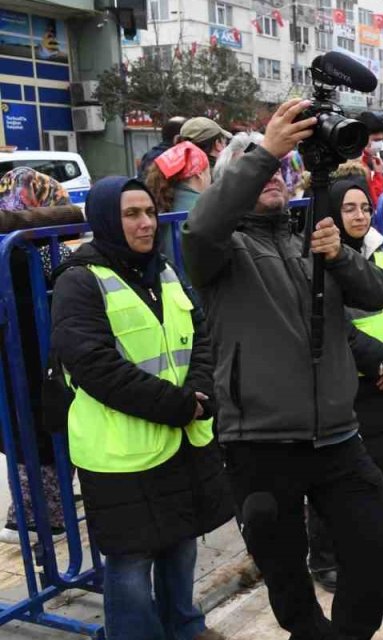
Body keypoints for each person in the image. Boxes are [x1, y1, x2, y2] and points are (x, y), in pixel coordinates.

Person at [182, 98, 383, 639]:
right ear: (231, 183)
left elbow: (376, 295)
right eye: (256, 166)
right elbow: (201, 231)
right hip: (261, 445)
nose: (273, 175)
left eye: (279, 169)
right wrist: (266, 147)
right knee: (286, 578)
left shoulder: (309, 238)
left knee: (370, 551)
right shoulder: (220, 252)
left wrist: (340, 256)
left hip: (338, 439)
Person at [52, 177, 231, 640]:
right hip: (121, 452)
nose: (146, 223)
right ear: (109, 220)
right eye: (132, 214)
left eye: (150, 212)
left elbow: (200, 336)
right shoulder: (80, 281)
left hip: (180, 438)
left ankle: (185, 627)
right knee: (131, 563)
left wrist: (198, 389)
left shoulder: (163, 269)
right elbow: (94, 366)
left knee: (180, 544)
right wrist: (177, 404)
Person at [307, 180, 383, 592]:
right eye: (349, 209)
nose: (360, 216)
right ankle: (323, 558)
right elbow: (333, 327)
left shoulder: (376, 250)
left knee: (382, 458)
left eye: (365, 207)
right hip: (348, 381)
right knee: (335, 472)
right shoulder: (321, 261)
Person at [0, 168, 82, 545]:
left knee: (24, 435)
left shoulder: (9, 248)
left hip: (15, 365)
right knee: (48, 433)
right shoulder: (42, 253)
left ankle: (32, 516)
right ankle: (41, 522)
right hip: (42, 361)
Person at [143, 141, 211, 214]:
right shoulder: (207, 207)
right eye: (208, 172)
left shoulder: (160, 202)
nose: (210, 177)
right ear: (199, 174)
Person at [357, 112, 383, 204]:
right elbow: (373, 202)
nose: (379, 144)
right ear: (361, 138)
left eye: (381, 140)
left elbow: (375, 198)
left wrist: (378, 173)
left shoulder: (367, 161)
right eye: (376, 140)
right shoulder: (353, 165)